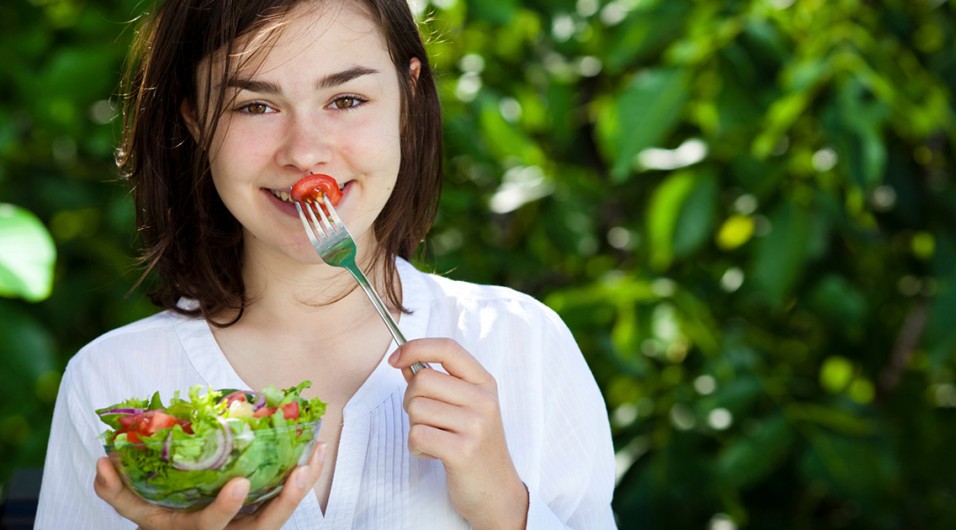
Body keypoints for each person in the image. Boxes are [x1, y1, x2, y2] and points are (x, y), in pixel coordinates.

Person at [34, 0, 616, 528]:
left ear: (408, 100)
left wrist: (504, 506)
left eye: (346, 100)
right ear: (193, 120)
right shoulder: (115, 382)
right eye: (254, 105)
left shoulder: (523, 344)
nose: (305, 151)